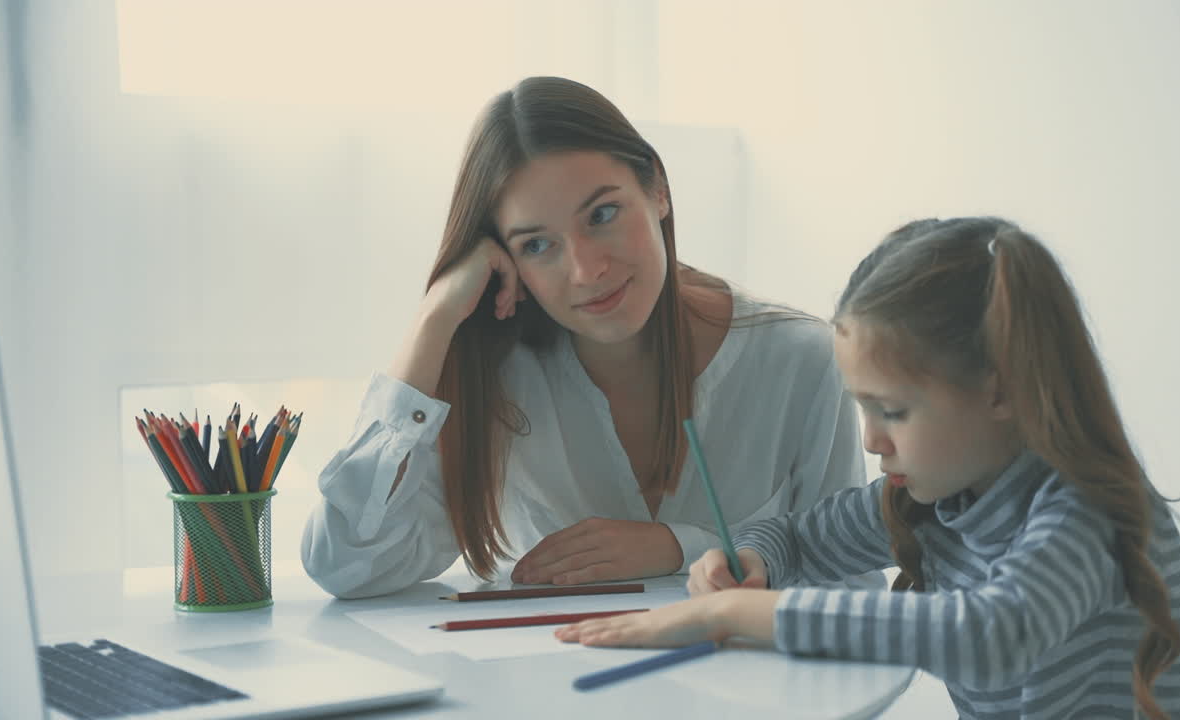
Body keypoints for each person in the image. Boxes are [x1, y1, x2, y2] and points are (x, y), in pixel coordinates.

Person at [557, 217, 1180, 719]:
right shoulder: (933, 496)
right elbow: (796, 536)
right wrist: (748, 560)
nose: (871, 440)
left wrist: (730, 615)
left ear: (1002, 388)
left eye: (892, 410)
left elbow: (992, 633)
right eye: (862, 407)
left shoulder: (1089, 515)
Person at [301, 76, 880, 599]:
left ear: (656, 187)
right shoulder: (497, 371)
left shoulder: (801, 360)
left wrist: (676, 547)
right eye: (536, 244)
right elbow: (347, 564)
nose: (585, 270)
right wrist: (434, 320)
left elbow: (851, 590)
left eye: (602, 215)